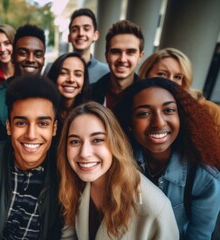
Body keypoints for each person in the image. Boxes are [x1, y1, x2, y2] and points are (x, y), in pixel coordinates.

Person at [114, 78, 220, 239]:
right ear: (129, 123)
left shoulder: (204, 178)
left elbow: (199, 236)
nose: (159, 122)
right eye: (144, 113)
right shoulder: (117, 161)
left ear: (181, 117)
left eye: (168, 110)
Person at [58, 101, 179, 239]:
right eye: (75, 141)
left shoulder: (156, 207)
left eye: (97, 140)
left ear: (115, 143)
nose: (84, 153)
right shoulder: (74, 184)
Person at [0, 75, 62, 239]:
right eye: (21, 123)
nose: (31, 135)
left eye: (42, 123)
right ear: (8, 126)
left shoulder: (65, 172)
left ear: (54, 128)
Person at [0, 24, 46, 142]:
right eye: (23, 53)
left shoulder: (53, 97)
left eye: (38, 54)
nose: (31, 59)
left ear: (43, 60)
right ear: (13, 57)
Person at [138, 47, 220, 138]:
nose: (170, 81)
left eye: (177, 77)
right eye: (161, 74)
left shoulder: (212, 112)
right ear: (146, 75)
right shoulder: (134, 105)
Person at [91, 20, 144, 109]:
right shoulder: (89, 93)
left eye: (130, 52)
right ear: (106, 56)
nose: (122, 59)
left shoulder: (147, 94)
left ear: (140, 57)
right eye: (116, 52)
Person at [47, 52, 90, 126]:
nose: (71, 79)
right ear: (54, 77)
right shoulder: (44, 110)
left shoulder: (89, 113)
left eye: (78, 74)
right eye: (63, 73)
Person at [68, 8, 109, 83]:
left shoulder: (106, 72)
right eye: (75, 30)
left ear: (95, 35)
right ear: (69, 37)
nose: (80, 33)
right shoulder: (54, 68)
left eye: (86, 29)